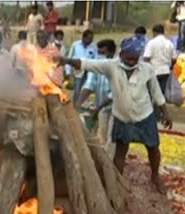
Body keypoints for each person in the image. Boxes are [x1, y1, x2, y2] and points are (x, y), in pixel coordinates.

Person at [54, 36, 173, 194]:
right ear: (121, 54)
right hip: (122, 117)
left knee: (153, 148)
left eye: (135, 59)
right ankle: (117, 181)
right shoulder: (111, 66)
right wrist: (65, 60)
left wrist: (166, 113)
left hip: (144, 116)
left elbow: (157, 93)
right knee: (120, 151)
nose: (132, 62)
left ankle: (155, 176)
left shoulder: (147, 69)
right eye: (129, 58)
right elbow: (87, 64)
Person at [77, 39, 116, 157]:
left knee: (112, 137)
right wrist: (77, 104)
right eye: (99, 52)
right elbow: (90, 84)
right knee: (102, 135)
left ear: (112, 52)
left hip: (117, 108)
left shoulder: (117, 66)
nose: (100, 55)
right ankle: (104, 161)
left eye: (103, 52)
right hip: (102, 107)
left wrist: (98, 108)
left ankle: (110, 166)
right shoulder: (98, 65)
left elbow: (114, 94)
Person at [65, 29, 97, 105]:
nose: (90, 40)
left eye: (91, 39)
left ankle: (81, 105)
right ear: (83, 38)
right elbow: (70, 57)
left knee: (86, 90)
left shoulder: (93, 47)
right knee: (77, 90)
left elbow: (95, 60)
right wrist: (67, 71)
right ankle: (75, 106)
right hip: (78, 71)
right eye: (89, 38)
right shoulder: (75, 45)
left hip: (88, 72)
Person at [144, 24, 177, 95]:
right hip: (165, 71)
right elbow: (174, 59)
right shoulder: (169, 43)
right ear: (163, 32)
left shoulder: (151, 43)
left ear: (155, 32)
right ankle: (159, 105)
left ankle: (152, 105)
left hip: (153, 70)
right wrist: (171, 66)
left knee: (151, 92)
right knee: (161, 92)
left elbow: (146, 58)